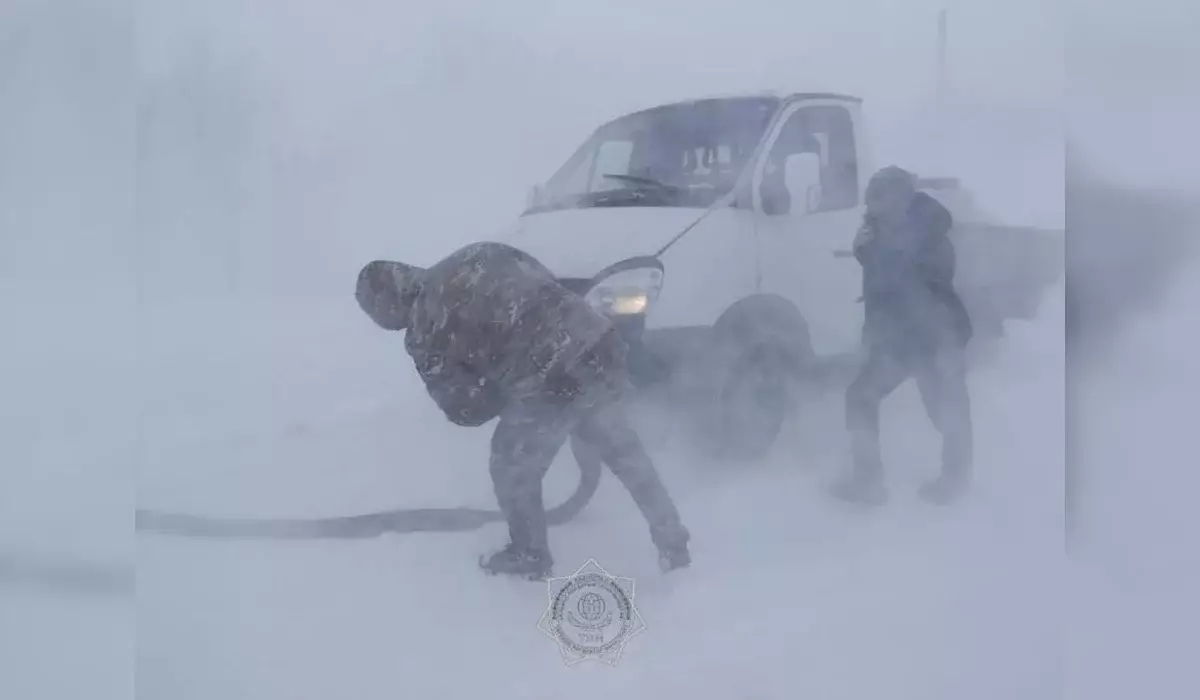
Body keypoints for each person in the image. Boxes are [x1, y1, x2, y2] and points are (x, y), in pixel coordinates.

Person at [355, 242, 692, 579]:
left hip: (550, 383)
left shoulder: (423, 331)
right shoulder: (476, 253)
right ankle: (673, 540)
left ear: (387, 310)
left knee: (510, 466)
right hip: (600, 343)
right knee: (622, 449)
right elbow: (544, 280)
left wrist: (506, 388)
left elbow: (466, 410)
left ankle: (529, 554)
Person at [833, 166, 975, 506]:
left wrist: (867, 253)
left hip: (935, 338)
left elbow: (906, 281)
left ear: (900, 199)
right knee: (860, 397)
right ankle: (868, 483)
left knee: (947, 412)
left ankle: (955, 479)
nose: (870, 207)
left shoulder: (931, 235)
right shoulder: (883, 230)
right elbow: (884, 286)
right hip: (897, 341)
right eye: (870, 200)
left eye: (877, 200)